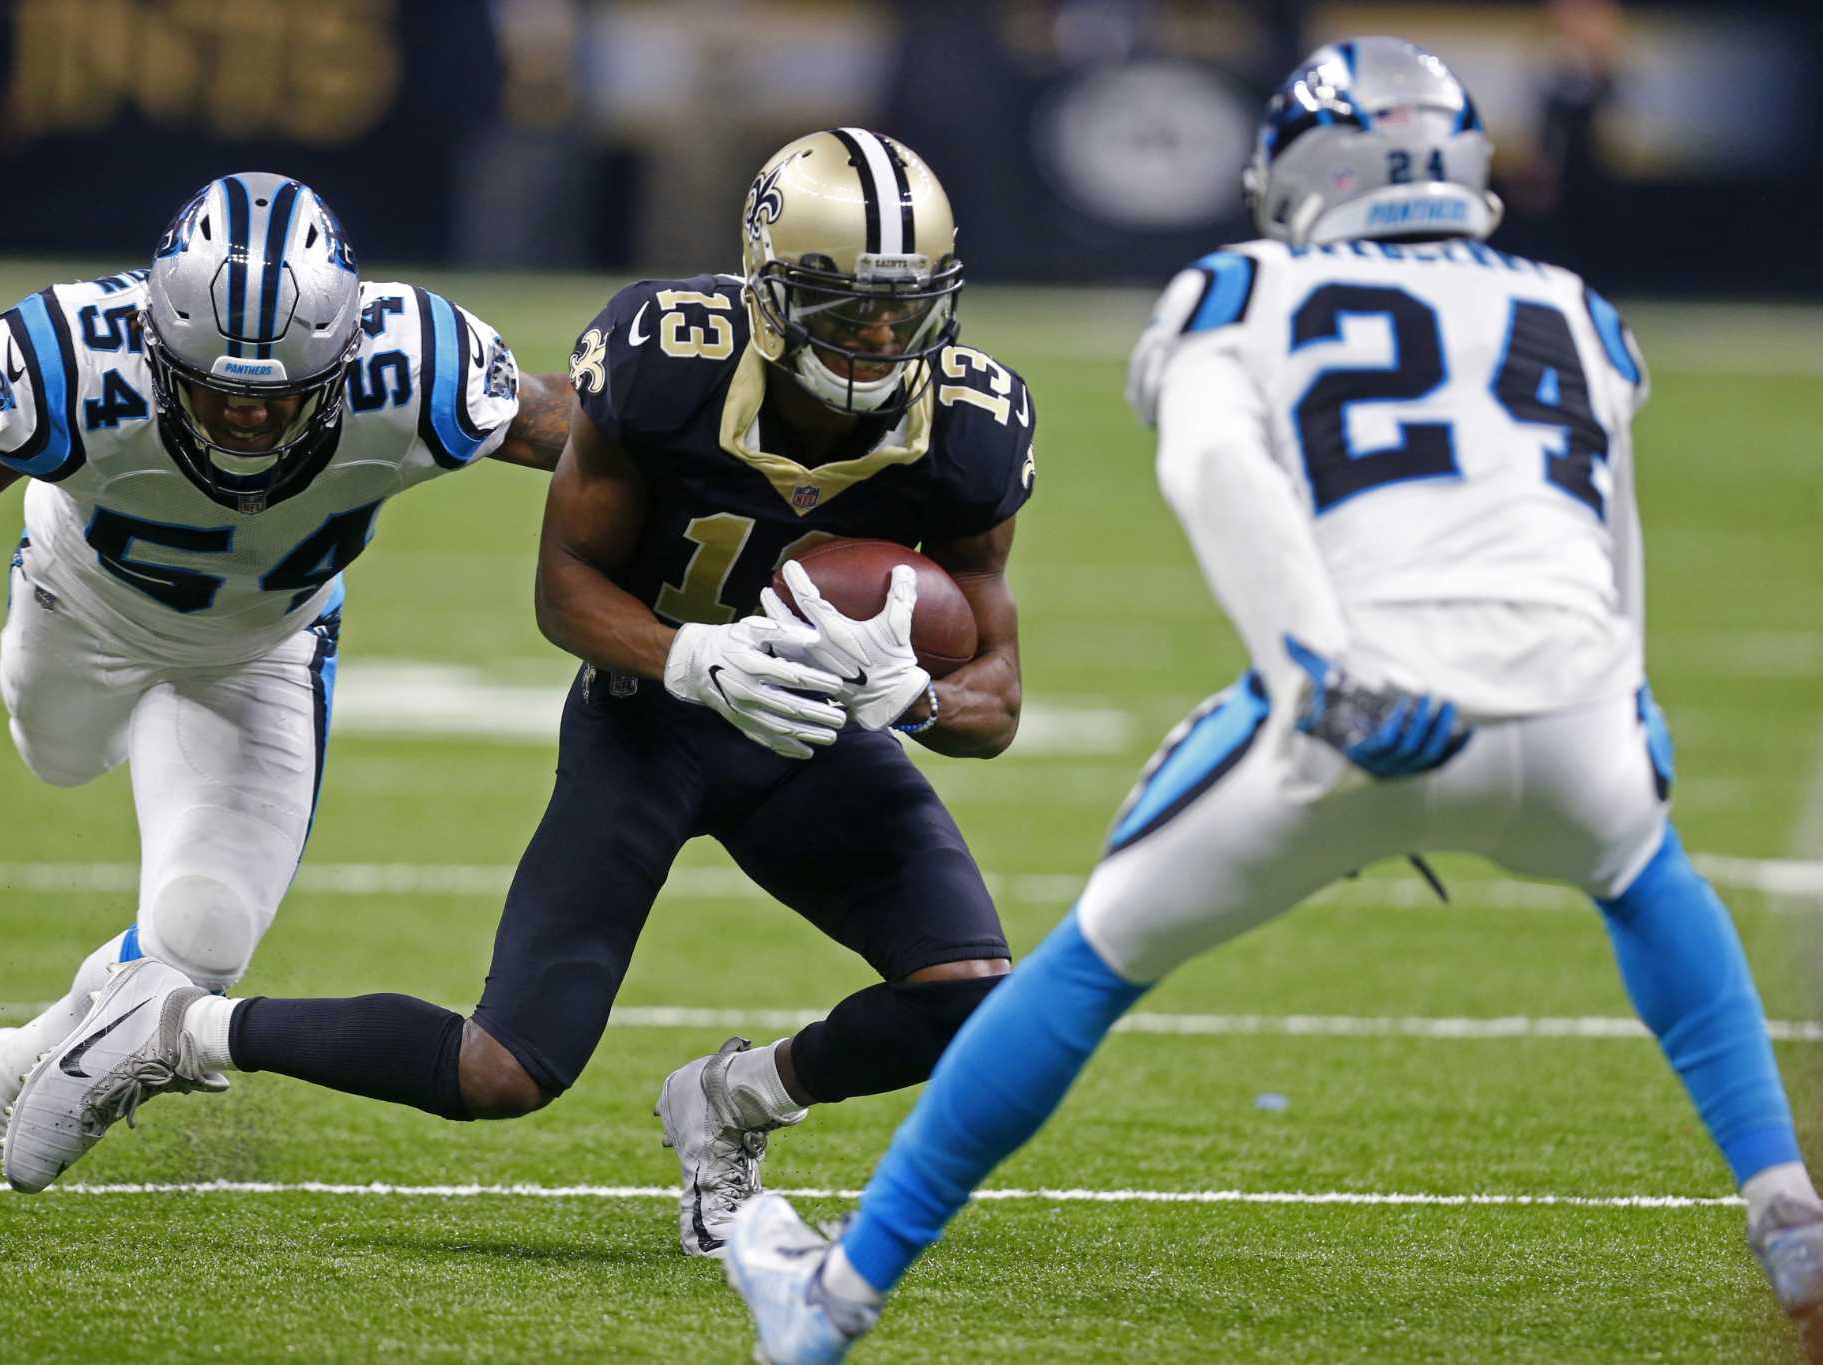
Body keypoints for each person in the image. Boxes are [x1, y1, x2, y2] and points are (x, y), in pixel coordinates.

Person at [722, 38, 1823, 1362]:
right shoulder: (1570, 303)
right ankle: (1789, 1212)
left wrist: (1316, 672)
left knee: (1086, 964)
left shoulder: (1243, 287)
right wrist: (1624, 695)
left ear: (1309, 173)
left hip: (1361, 701)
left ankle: (829, 1303)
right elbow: (1602, 524)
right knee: (1649, 875)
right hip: (1578, 703)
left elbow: (1212, 466)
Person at [0, 129, 1041, 1257]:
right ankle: (178, 1029)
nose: (880, 337)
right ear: (768, 290)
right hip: (648, 722)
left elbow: (998, 695)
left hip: (810, 735)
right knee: (501, 1071)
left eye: (905, 304)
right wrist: (688, 658)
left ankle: (732, 1102)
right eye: (843, 304)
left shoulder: (970, 425)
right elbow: (563, 589)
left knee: (977, 997)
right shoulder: (668, 358)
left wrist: (917, 703)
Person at [0, 172, 572, 1212]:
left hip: (263, 648)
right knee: (56, 756)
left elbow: (588, 438)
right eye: (214, 388)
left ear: (341, 359)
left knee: (200, 941)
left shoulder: (413, 364)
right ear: (154, 347)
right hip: (79, 613)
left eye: (277, 393)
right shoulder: (73, 355)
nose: (244, 416)